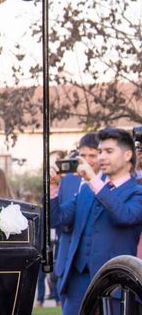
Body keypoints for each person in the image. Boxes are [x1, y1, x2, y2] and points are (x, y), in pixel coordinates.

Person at [51, 127, 142, 315]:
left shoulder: (137, 192)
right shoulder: (86, 190)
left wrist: (94, 180)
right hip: (76, 284)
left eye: (109, 151)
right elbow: (57, 219)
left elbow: (123, 216)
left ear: (127, 155)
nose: (101, 157)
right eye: (100, 151)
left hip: (116, 288)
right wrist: (51, 188)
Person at [52, 134, 98, 310]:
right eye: (82, 156)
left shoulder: (105, 182)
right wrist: (52, 187)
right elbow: (58, 219)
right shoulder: (68, 180)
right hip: (67, 264)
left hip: (95, 265)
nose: (86, 161)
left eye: (92, 156)